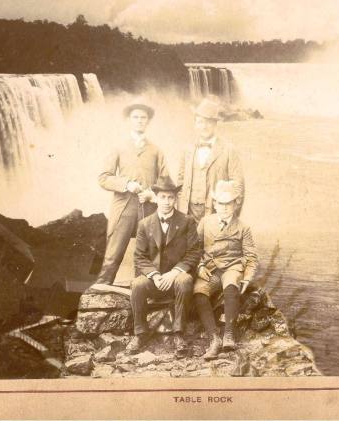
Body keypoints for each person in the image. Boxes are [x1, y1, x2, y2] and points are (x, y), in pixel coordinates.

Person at [94, 99, 169, 286]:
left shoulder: (156, 150)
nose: (139, 121)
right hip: (123, 207)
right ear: (129, 120)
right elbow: (104, 178)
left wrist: (152, 193)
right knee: (112, 255)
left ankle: (141, 297)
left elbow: (166, 181)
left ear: (148, 121)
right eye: (135, 117)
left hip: (149, 209)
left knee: (146, 256)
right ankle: (99, 294)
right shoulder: (118, 147)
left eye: (143, 118)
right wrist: (127, 184)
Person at [125, 177, 200, 356]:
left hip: (176, 278)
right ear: (156, 198)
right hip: (155, 280)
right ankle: (140, 334)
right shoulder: (144, 224)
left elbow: (194, 253)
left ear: (175, 199)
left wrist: (173, 273)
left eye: (170, 198)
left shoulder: (187, 221)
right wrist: (155, 276)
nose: (167, 202)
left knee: (185, 280)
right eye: (163, 197)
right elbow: (139, 257)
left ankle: (178, 334)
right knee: (137, 284)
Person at [193, 180, 259, 359]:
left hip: (232, 267)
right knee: (199, 292)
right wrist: (199, 266)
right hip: (210, 268)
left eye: (228, 203)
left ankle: (229, 334)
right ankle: (214, 338)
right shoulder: (205, 222)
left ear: (235, 204)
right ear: (214, 204)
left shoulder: (243, 227)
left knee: (231, 286)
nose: (224, 208)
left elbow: (251, 257)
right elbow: (194, 249)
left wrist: (247, 278)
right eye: (220, 203)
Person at [176, 98, 244, 222]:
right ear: (195, 124)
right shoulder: (187, 149)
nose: (204, 126)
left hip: (215, 214)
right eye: (200, 122)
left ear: (215, 124)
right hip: (187, 213)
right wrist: (181, 209)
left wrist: (229, 218)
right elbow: (180, 182)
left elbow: (238, 187)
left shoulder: (229, 150)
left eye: (209, 122)